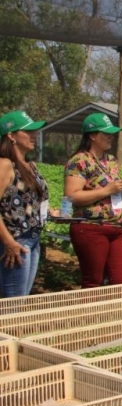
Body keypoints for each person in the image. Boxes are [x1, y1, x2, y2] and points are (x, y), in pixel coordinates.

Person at [64, 112, 122, 288]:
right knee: (93, 281)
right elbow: (71, 196)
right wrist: (107, 189)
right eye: (106, 133)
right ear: (92, 135)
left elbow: (111, 197)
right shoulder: (79, 161)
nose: (110, 137)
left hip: (116, 227)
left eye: (111, 133)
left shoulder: (111, 161)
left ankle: (117, 316)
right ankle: (89, 316)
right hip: (90, 228)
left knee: (121, 282)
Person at [0, 111, 51, 297]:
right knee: (13, 304)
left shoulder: (30, 165)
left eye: (35, 131)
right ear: (11, 135)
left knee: (22, 301)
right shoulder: (5, 165)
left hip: (33, 238)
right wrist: (8, 242)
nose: (34, 135)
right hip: (16, 240)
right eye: (27, 131)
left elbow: (32, 202)